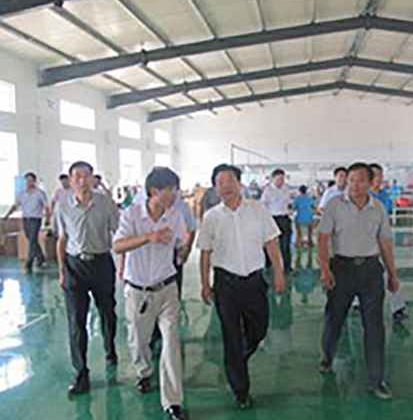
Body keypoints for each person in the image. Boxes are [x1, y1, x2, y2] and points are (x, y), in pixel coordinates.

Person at [198, 164, 286, 409]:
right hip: (225, 284)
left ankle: (237, 358)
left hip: (254, 282)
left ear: (240, 183)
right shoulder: (211, 217)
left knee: (259, 330)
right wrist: (205, 283)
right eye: (220, 183)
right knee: (231, 336)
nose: (225, 186)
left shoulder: (258, 210)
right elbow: (205, 253)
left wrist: (279, 273)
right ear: (215, 188)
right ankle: (241, 390)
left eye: (230, 181)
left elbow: (272, 244)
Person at [318, 162, 400, 400]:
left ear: (371, 182)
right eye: (351, 180)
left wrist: (392, 274)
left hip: (370, 271)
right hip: (341, 269)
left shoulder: (378, 208)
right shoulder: (334, 205)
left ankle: (377, 380)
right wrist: (325, 270)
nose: (354, 185)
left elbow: (385, 242)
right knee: (335, 319)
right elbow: (322, 239)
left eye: (360, 180)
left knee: (374, 326)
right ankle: (327, 356)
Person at [113, 167, 188, 420]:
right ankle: (143, 372)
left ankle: (173, 402)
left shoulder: (175, 216)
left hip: (167, 288)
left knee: (171, 342)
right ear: (155, 191)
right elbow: (118, 246)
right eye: (171, 190)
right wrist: (149, 237)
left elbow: (181, 244)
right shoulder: (132, 214)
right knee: (139, 340)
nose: (175, 194)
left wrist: (183, 250)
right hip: (138, 291)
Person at [55, 161, 120, 396]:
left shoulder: (106, 203)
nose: (82, 181)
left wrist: (123, 264)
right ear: (71, 180)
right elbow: (62, 240)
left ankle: (110, 348)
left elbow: (118, 233)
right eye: (77, 177)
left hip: (101, 264)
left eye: (86, 176)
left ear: (93, 179)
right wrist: (62, 270)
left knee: (108, 312)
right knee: (76, 321)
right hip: (75, 266)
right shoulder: (62, 205)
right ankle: (81, 373)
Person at [369, 163, 408, 323]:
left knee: (390, 272)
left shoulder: (384, 196)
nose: (379, 179)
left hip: (383, 239)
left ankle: (398, 308)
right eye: (375, 175)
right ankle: (356, 302)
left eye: (380, 175)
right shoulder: (361, 196)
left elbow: (388, 215)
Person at [3, 172, 50, 274]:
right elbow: (15, 205)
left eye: (31, 180)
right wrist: (7, 215)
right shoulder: (22, 193)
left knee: (32, 240)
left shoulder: (39, 193)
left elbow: (46, 206)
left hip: (36, 219)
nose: (29, 182)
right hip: (25, 219)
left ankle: (28, 264)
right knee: (32, 240)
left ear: (34, 181)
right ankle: (41, 259)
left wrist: (47, 219)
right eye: (27, 180)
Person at [261, 168, 292, 271]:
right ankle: (268, 264)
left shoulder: (286, 189)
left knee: (285, 244)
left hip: (284, 218)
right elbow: (263, 205)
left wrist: (289, 210)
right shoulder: (268, 190)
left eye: (282, 179)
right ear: (273, 179)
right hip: (272, 219)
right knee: (269, 243)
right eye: (279, 179)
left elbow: (288, 203)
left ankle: (287, 266)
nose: (281, 181)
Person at [292, 185, 315, 269]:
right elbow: (313, 207)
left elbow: (294, 208)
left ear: (299, 191)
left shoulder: (297, 199)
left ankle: (298, 245)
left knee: (299, 234)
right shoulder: (309, 198)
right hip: (309, 218)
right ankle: (310, 244)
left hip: (299, 218)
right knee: (310, 234)